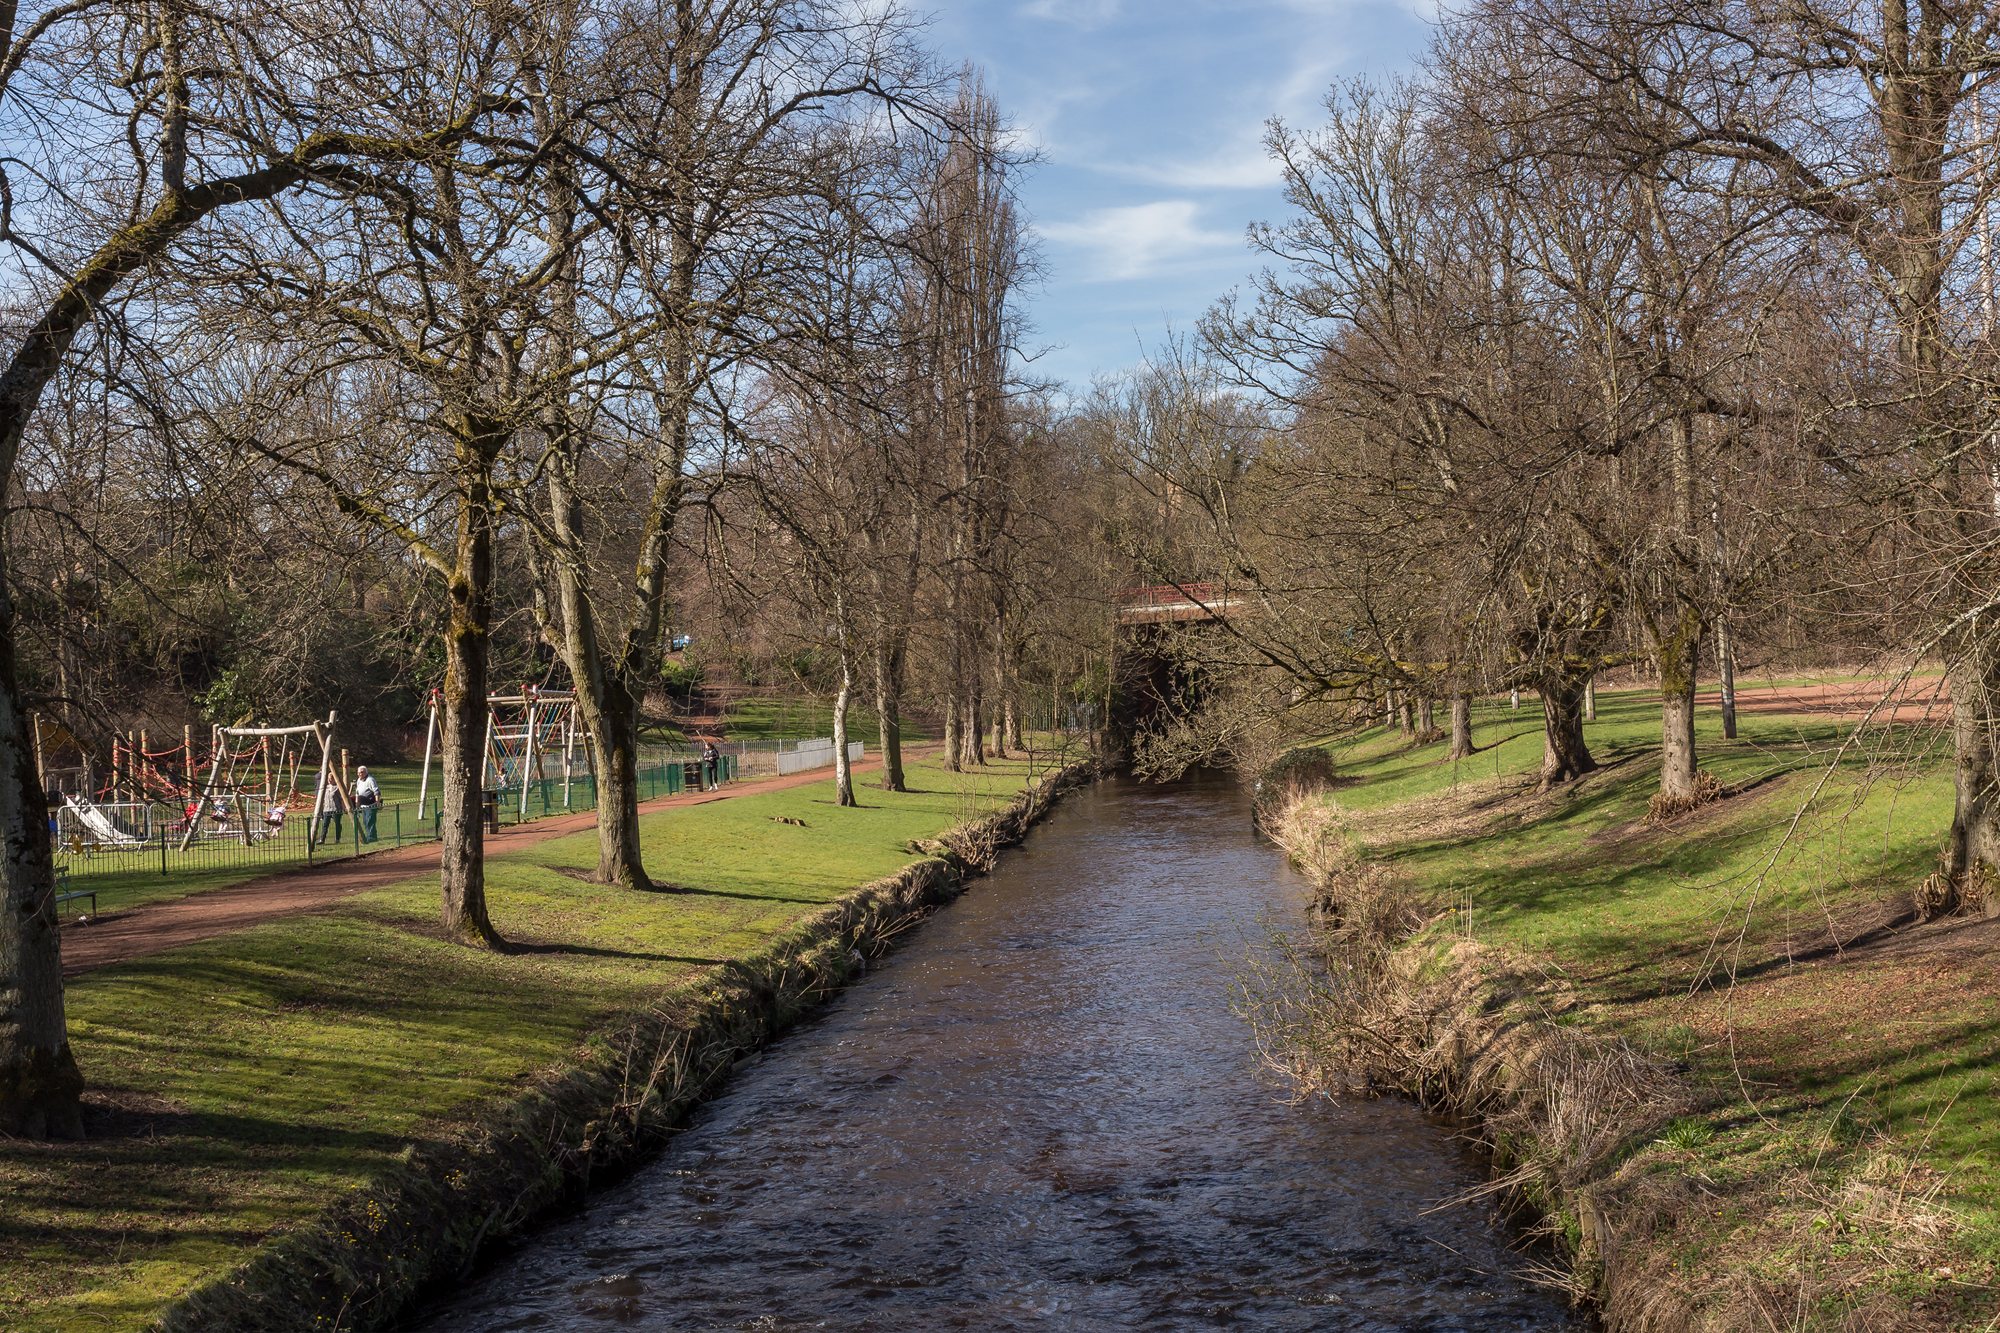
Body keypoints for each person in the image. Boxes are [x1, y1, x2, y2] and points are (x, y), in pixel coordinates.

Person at [314, 775, 346, 844]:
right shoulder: (325, 788)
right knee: (325, 824)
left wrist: (343, 808)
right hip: (327, 809)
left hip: (336, 809)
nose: (329, 780)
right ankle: (322, 839)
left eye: (331, 778)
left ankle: (337, 839)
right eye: (328, 778)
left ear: (334, 779)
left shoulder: (338, 787)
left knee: (337, 824)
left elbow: (342, 799)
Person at [353, 765, 381, 844]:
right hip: (363, 805)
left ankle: (372, 837)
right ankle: (370, 836)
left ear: (366, 772)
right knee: (365, 822)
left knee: (370, 821)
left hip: (371, 805)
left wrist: (377, 802)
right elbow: (357, 793)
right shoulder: (359, 780)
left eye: (361, 772)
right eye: (358, 772)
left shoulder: (370, 780)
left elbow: (376, 791)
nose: (359, 774)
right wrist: (357, 805)